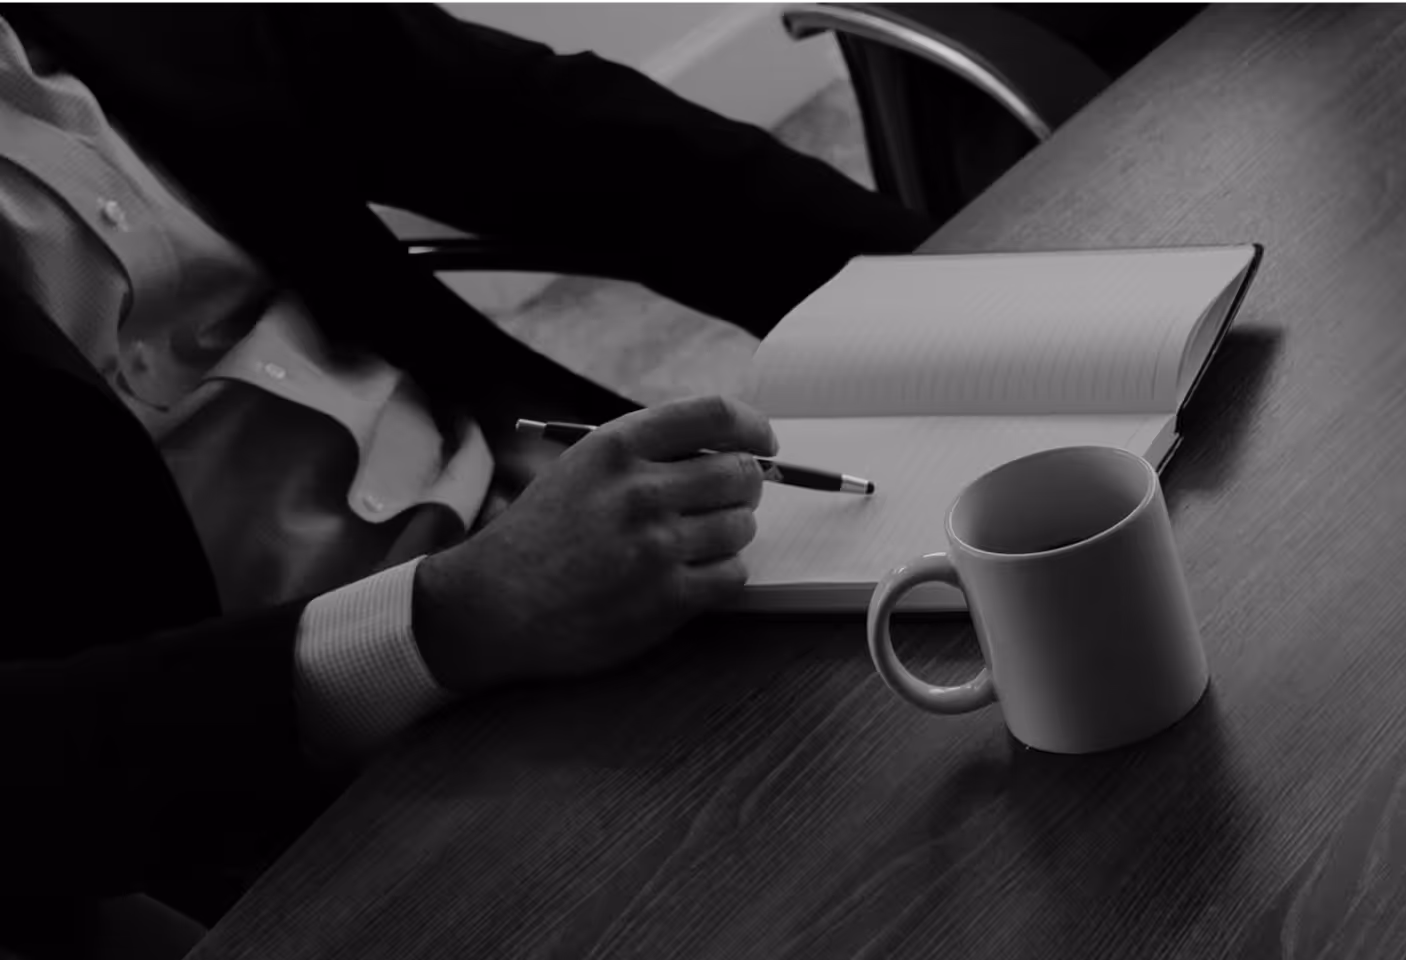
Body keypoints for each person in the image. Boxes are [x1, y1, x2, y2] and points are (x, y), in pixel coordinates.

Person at [0, 1, 923, 910]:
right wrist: (449, 619)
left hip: (558, 515)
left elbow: (542, 127)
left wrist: (934, 289)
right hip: (279, 796)